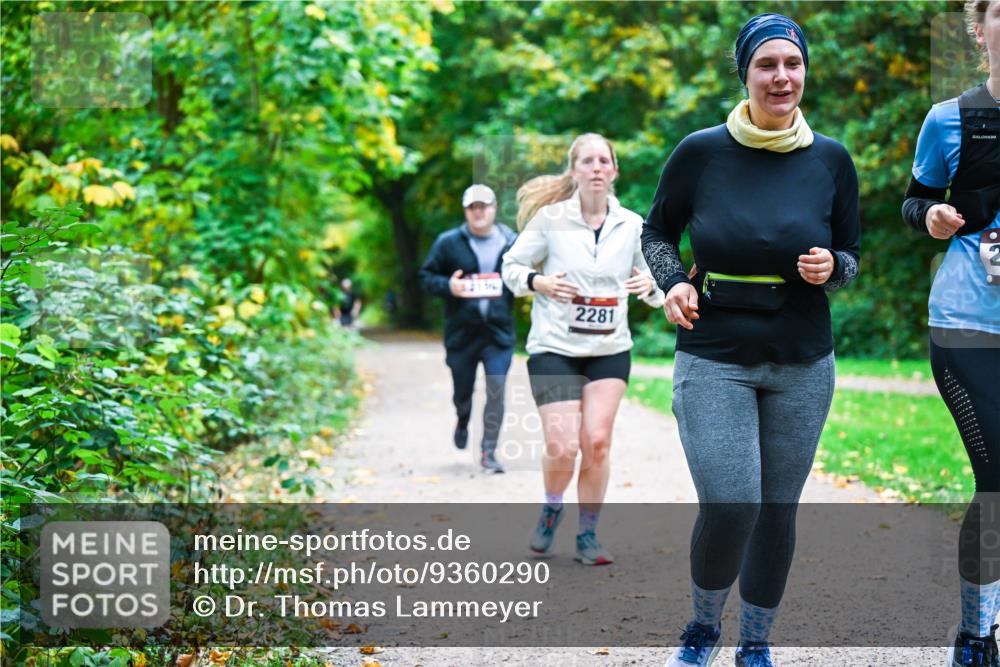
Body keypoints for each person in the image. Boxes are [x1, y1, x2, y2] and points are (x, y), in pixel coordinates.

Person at [641, 14, 860, 667]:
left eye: (792, 64)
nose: (781, 77)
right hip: (715, 354)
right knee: (734, 499)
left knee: (776, 510)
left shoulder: (831, 159)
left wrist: (833, 268)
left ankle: (756, 641)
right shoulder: (701, 152)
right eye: (767, 65)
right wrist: (674, 282)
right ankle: (704, 626)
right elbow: (656, 233)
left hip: (802, 356)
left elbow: (851, 255)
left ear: (805, 72)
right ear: (745, 74)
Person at [501, 133, 665, 566]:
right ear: (574, 171)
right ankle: (553, 505)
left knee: (596, 441)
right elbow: (511, 267)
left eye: (603, 161)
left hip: (610, 346)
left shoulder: (632, 225)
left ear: (614, 171)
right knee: (562, 446)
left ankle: (588, 535)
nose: (596, 167)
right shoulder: (551, 220)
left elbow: (659, 283)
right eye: (587, 161)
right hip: (554, 346)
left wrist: (649, 285)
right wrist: (540, 282)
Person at [901, 2, 1000, 664]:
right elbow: (913, 200)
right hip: (967, 326)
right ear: (980, 31)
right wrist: (932, 213)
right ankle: (975, 633)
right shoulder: (951, 119)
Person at [418, 184, 517, 473]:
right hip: (461, 334)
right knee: (463, 391)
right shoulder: (448, 243)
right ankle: (463, 417)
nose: (479, 212)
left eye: (484, 206)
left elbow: (528, 274)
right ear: (466, 211)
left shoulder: (512, 242)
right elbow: (425, 276)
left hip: (498, 333)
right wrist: (449, 286)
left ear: (494, 208)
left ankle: (489, 451)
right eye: (473, 207)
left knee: (497, 388)